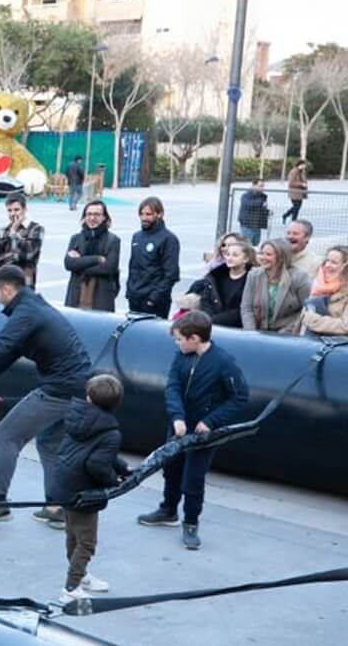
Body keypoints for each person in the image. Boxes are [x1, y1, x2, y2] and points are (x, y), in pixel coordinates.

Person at [0, 265, 91, 525]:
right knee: (49, 444)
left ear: (8, 289)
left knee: (6, 435)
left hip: (60, 388)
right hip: (78, 387)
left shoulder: (26, 313)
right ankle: (57, 508)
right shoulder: (34, 307)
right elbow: (12, 351)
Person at [138, 310, 248, 550]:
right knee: (171, 469)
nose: (177, 343)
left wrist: (211, 421)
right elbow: (173, 387)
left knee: (193, 479)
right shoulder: (181, 356)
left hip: (203, 433)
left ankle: (190, 522)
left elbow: (239, 397)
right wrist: (177, 417)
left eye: (179, 339)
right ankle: (168, 510)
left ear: (194, 338)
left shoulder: (223, 362)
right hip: (179, 427)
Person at [52, 374, 131, 603]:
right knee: (86, 542)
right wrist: (114, 480)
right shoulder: (110, 432)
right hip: (84, 493)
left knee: (72, 535)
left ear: (88, 397)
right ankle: (71, 587)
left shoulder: (77, 416)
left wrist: (122, 467)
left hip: (64, 484)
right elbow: (97, 464)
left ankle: (80, 575)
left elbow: (96, 452)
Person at [241, 238, 312, 334]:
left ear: (281, 257)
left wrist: (289, 330)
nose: (263, 257)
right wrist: (251, 333)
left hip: (288, 333)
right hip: (258, 332)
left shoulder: (299, 277)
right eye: (261, 253)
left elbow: (307, 309)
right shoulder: (254, 275)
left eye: (268, 254)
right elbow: (246, 308)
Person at [126, 197, 180, 318]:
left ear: (160, 214)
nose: (144, 218)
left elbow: (171, 275)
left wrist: (153, 299)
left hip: (155, 303)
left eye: (148, 214)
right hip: (135, 299)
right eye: (141, 214)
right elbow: (133, 267)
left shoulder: (169, 239)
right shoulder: (137, 237)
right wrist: (129, 292)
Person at [178, 241, 254, 327]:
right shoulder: (216, 276)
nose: (229, 258)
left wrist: (214, 321)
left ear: (246, 259)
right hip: (210, 322)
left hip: (235, 326)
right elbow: (206, 301)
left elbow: (243, 310)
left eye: (235, 255)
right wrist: (208, 319)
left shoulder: (251, 279)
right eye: (228, 254)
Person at [64, 200, 121, 312]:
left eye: (97, 214)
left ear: (104, 217)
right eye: (89, 214)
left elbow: (109, 268)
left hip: (101, 297)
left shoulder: (113, 240)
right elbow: (69, 264)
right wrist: (97, 259)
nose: (92, 218)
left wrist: (80, 264)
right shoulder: (76, 239)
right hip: (76, 296)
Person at [0, 193, 44, 289]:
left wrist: (14, 234)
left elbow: (29, 254)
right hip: (2, 282)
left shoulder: (35, 229)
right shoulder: (2, 231)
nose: (13, 214)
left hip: (24, 283)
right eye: (9, 210)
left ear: (25, 209)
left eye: (16, 210)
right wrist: (15, 255)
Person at [302, 245, 348, 336]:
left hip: (334, 343)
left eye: (334, 262)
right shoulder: (317, 285)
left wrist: (313, 320)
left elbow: (345, 326)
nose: (327, 265)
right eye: (327, 260)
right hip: (307, 340)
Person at [237, 179, 270, 245]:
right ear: (254, 185)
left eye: (263, 186)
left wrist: (267, 212)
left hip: (257, 225)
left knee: (255, 244)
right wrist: (261, 203)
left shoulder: (263, 196)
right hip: (247, 225)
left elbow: (262, 208)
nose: (262, 188)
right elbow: (248, 204)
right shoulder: (246, 195)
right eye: (260, 186)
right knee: (246, 244)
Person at [282, 159, 307, 223]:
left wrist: (305, 186)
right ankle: (293, 220)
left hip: (300, 193)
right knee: (296, 207)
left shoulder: (301, 172)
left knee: (297, 207)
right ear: (300, 165)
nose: (305, 166)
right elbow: (291, 183)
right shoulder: (293, 172)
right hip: (294, 193)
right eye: (304, 165)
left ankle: (287, 216)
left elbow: (303, 180)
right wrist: (301, 184)